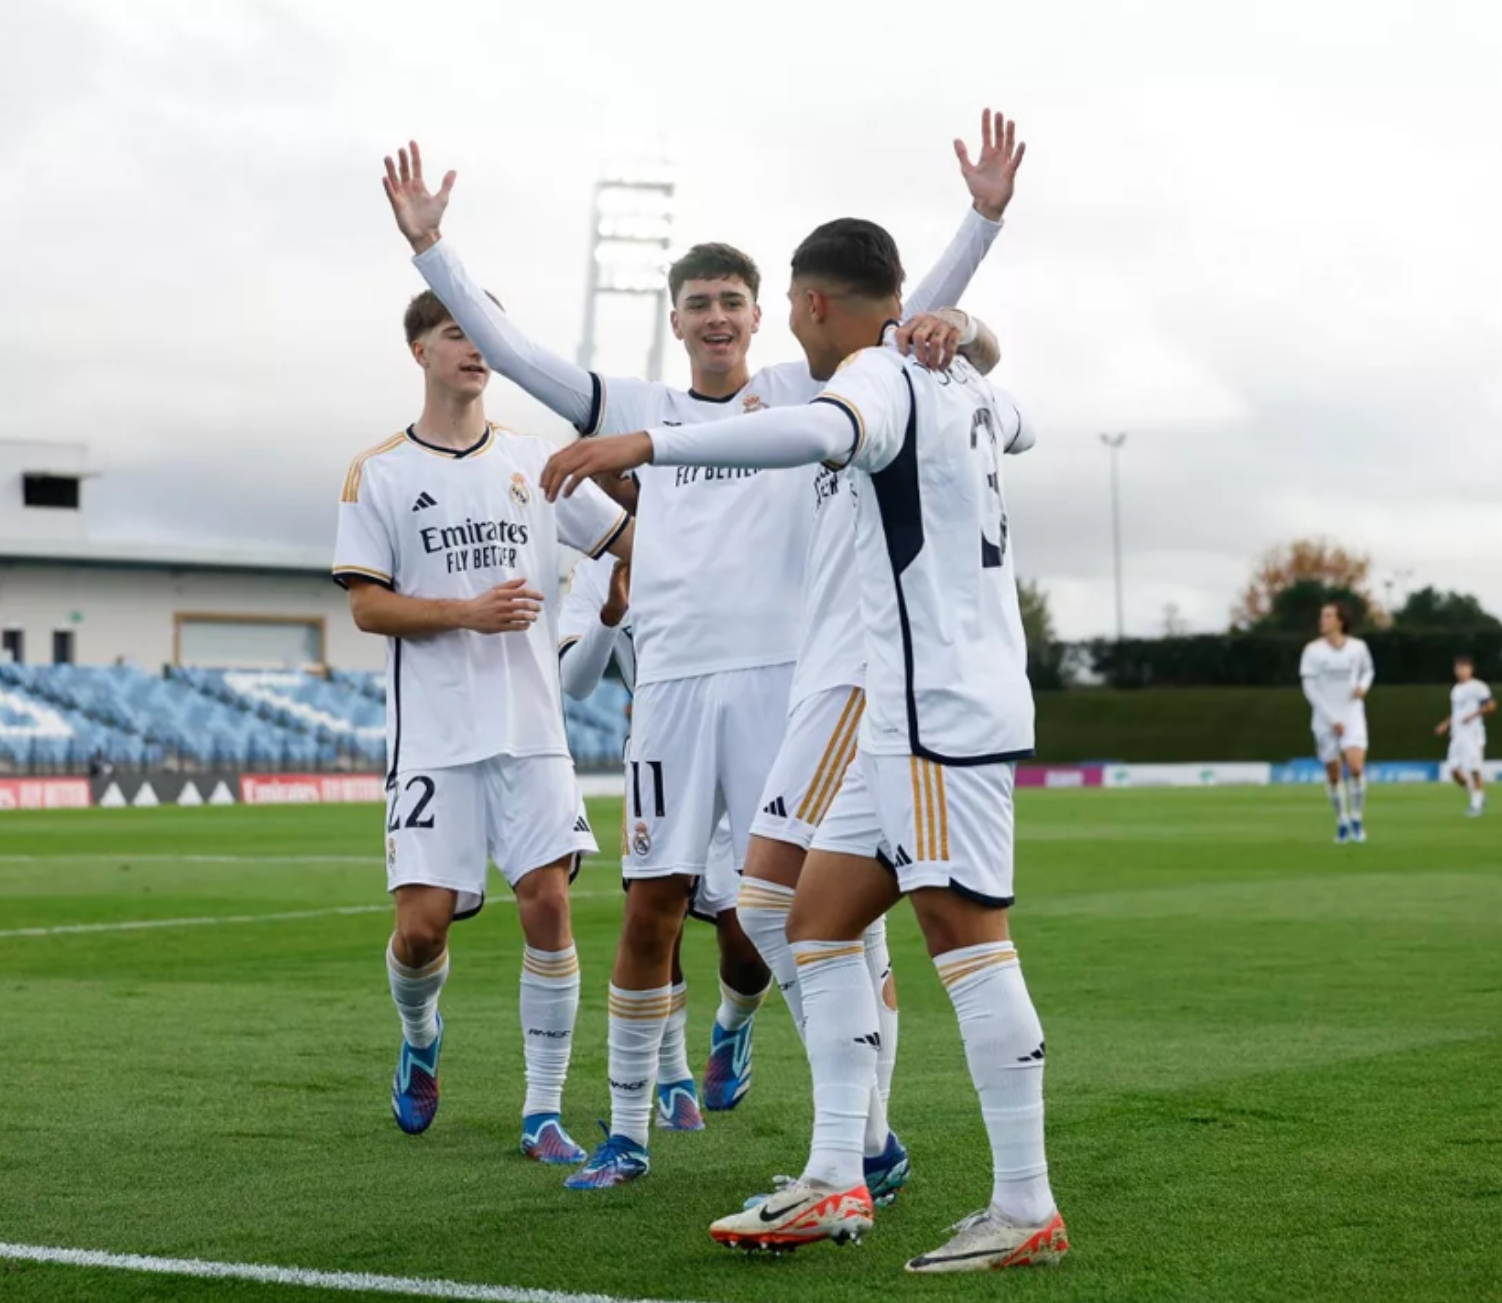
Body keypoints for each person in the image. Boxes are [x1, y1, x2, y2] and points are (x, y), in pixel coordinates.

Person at [384, 116, 1013, 1194]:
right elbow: (519, 353)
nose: (717, 317)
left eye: (734, 302)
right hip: (671, 691)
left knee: (813, 926)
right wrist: (431, 250)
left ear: (765, 315)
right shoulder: (635, 407)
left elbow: (898, 317)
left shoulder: (806, 390)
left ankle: (863, 1134)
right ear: (675, 321)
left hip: (790, 688)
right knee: (650, 907)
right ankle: (628, 1128)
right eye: (699, 304)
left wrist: (983, 221)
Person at [543, 215, 1065, 1272]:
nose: (781, 323)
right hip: (897, 704)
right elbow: (1024, 423)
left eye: (784, 303)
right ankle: (838, 1174)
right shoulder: (962, 386)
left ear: (815, 305)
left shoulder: (872, 382)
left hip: (930, 708)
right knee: (805, 918)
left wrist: (650, 442)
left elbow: (814, 434)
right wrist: (970, 330)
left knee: (965, 938)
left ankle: (1025, 1204)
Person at [333, 289, 635, 1170]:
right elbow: (366, 607)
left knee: (549, 903)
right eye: (457, 332)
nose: (476, 349)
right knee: (423, 930)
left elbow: (629, 538)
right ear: (420, 351)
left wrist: (635, 563)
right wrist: (467, 611)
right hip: (431, 737)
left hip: (533, 729)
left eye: (485, 335)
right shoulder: (377, 472)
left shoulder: (538, 462)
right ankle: (421, 1035)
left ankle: (542, 1110)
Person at [556, 555, 756, 1132]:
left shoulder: (724, 515)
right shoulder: (597, 562)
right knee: (654, 924)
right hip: (662, 756)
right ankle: (673, 1083)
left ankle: (734, 1023)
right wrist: (611, 614)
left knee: (748, 940)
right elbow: (575, 680)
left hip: (742, 743)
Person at [1299, 602, 1375, 843]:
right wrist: (1332, 719)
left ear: (1340, 621)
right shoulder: (1312, 651)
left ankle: (1357, 817)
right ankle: (1341, 820)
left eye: (1328, 616)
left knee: (1355, 768)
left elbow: (1368, 671)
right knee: (1333, 774)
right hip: (1325, 719)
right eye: (1322, 616)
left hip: (1352, 714)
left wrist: (1362, 688)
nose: (1322, 620)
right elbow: (1310, 689)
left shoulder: (1358, 647)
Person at [1434, 656, 1495, 816]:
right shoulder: (1455, 689)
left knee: (1474, 768)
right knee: (1454, 770)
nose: (1461, 671)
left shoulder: (1478, 687)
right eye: (1458, 668)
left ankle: (1476, 805)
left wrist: (1473, 715)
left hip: (1472, 733)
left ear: (1471, 669)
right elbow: (1456, 712)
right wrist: (1445, 724)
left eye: (1464, 667)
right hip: (1457, 734)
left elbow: (1491, 706)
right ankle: (1477, 794)